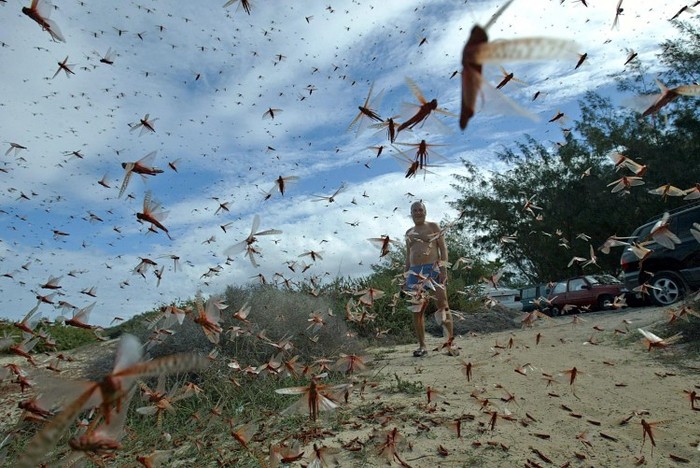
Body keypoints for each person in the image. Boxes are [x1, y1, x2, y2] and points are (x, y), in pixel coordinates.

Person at [404, 201, 458, 357]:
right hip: (414, 272)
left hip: (433, 268)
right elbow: (408, 256)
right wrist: (405, 276)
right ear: (411, 213)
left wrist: (443, 269)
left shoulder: (433, 227)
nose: (418, 212)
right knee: (417, 310)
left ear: (425, 211)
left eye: (420, 209)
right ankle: (422, 346)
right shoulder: (409, 232)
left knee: (443, 305)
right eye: (415, 210)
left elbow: (443, 248)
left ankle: (450, 343)